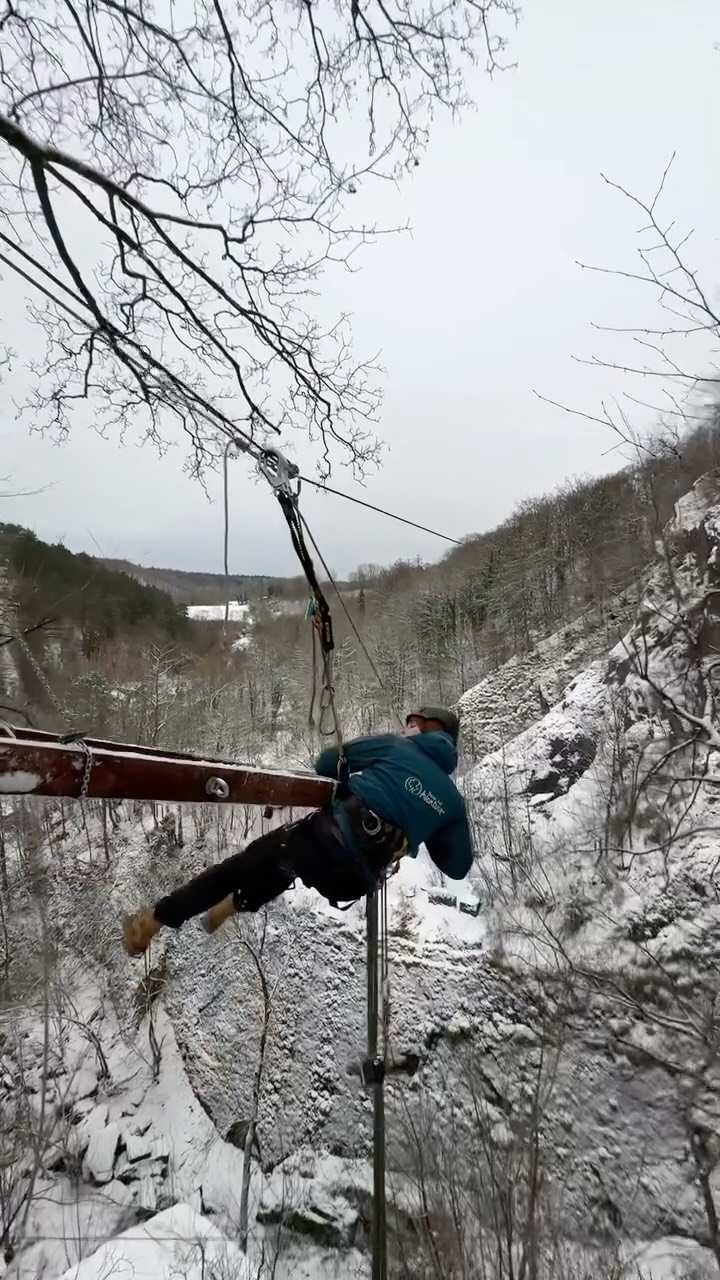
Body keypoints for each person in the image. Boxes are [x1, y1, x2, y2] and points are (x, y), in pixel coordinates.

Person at [122, 706, 473, 957]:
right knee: (286, 864)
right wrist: (429, 821)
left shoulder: (396, 747)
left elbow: (326, 763)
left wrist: (359, 783)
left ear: (430, 728)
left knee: (245, 865)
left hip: (323, 841)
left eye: (412, 722)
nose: (406, 726)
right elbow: (457, 867)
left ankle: (157, 918)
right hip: (351, 882)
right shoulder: (453, 803)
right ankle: (239, 902)